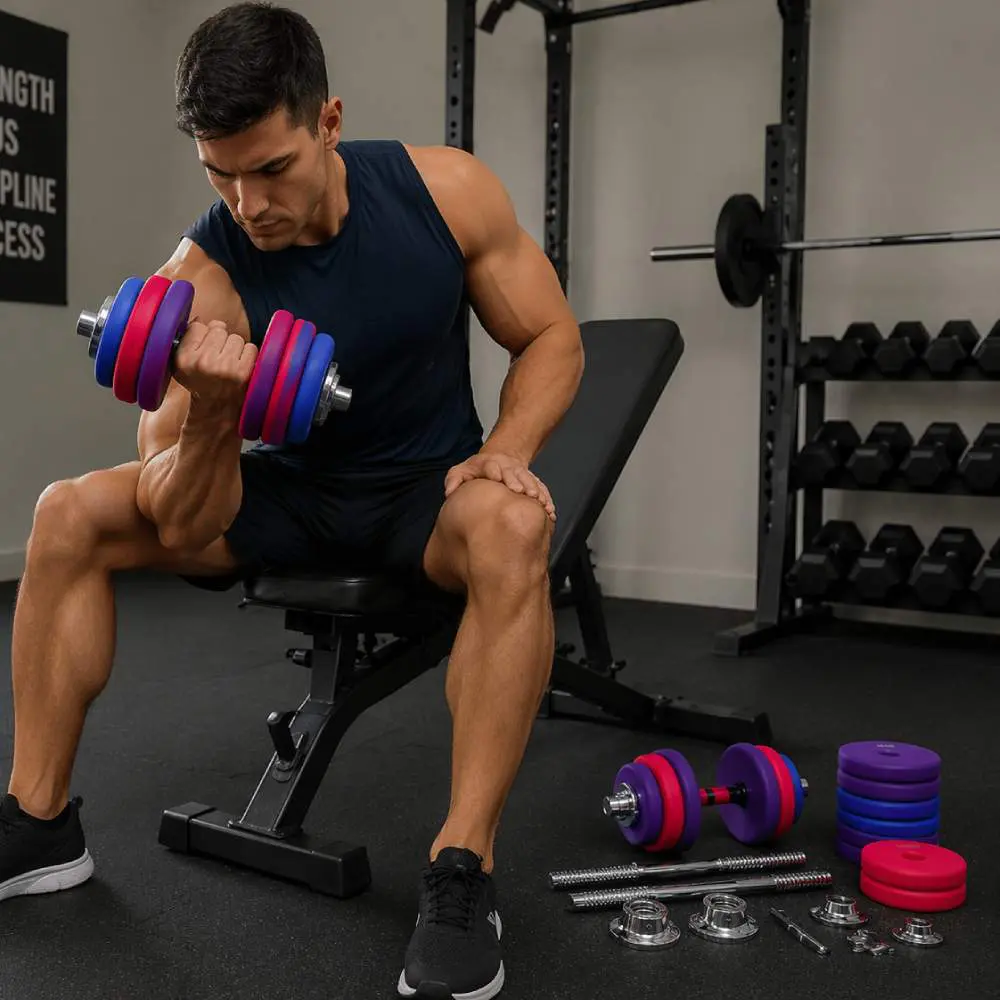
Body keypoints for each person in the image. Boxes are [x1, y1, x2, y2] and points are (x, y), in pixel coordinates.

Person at [0, 2, 583, 998]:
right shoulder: (202, 282)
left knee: (517, 523)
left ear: (327, 121)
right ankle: (38, 821)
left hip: (422, 491)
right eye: (219, 175)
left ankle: (462, 868)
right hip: (280, 491)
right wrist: (218, 410)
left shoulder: (444, 194)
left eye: (270, 167)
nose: (249, 203)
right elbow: (182, 520)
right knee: (67, 512)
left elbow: (551, 338)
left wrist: (506, 451)